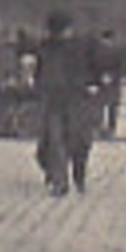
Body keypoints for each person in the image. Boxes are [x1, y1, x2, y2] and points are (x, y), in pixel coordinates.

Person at [34, 11, 101, 197]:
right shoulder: (46, 48)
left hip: (75, 99)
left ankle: (76, 176)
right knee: (56, 142)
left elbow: (95, 67)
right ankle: (60, 181)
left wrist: (93, 84)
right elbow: (40, 73)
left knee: (78, 142)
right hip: (57, 100)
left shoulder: (82, 47)